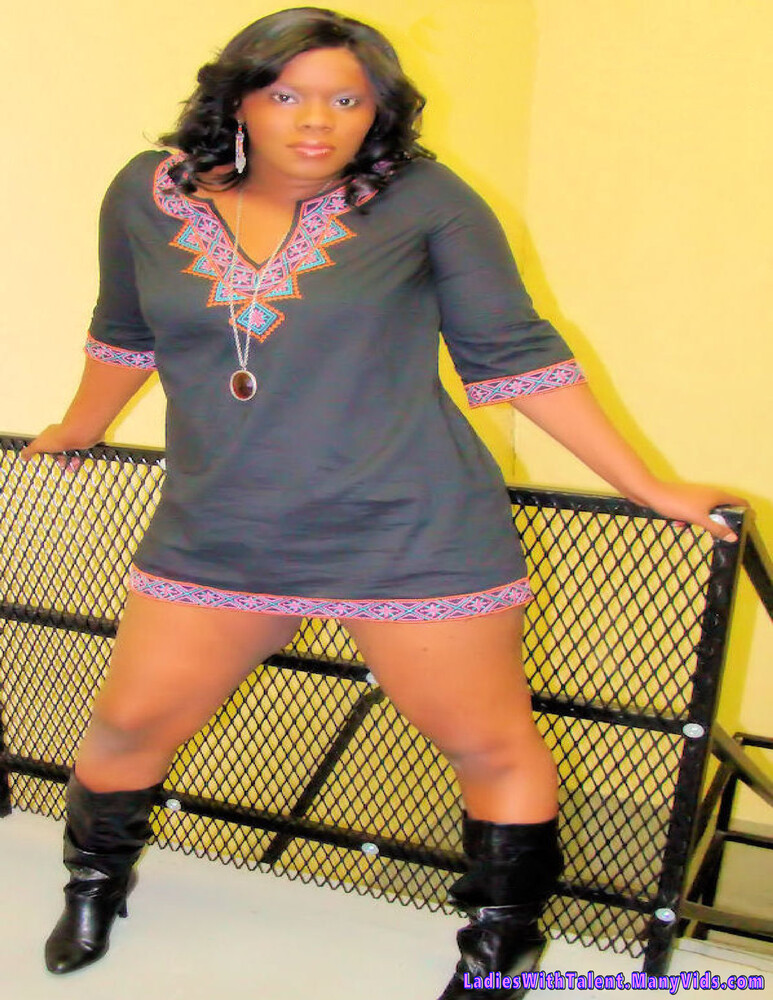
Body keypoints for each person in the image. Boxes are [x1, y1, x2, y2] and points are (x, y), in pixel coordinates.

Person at [20, 7, 741, 999]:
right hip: (219, 528)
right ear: (237, 98)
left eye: (347, 99)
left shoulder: (423, 199)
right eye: (287, 94)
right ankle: (95, 887)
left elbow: (514, 355)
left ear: (378, 111)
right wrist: (79, 426)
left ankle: (499, 949)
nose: (317, 121)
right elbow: (123, 331)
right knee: (127, 724)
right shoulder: (149, 193)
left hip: (410, 528)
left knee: (487, 741)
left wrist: (646, 484)